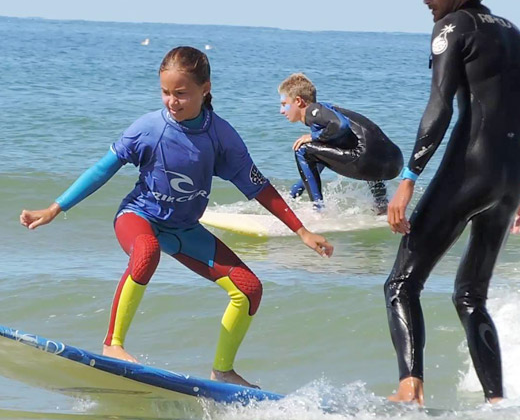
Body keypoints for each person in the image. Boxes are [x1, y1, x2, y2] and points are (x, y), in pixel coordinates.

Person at [20, 46, 333, 388]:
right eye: (166, 92)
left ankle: (223, 371)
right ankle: (113, 344)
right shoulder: (149, 128)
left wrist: (302, 232)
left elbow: (258, 187)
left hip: (185, 229)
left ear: (205, 89)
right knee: (146, 252)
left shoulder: (221, 137)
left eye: (181, 93)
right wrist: (55, 208)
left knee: (249, 290)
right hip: (139, 217)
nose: (172, 101)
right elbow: (101, 170)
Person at [386, 0, 520, 405]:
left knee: (401, 284)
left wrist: (408, 176)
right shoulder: (511, 31)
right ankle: (497, 404)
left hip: (471, 168)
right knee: (470, 295)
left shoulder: (452, 26)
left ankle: (410, 388)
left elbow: (440, 106)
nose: (428, 0)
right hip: (510, 179)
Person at [278, 73, 403, 214]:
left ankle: (319, 210)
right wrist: (293, 195)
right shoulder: (328, 114)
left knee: (302, 149)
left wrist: (314, 136)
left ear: (299, 101)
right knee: (314, 153)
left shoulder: (314, 110)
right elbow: (318, 162)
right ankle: (382, 207)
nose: (281, 111)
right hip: (393, 163)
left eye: (284, 105)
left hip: (366, 159)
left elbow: (340, 125)